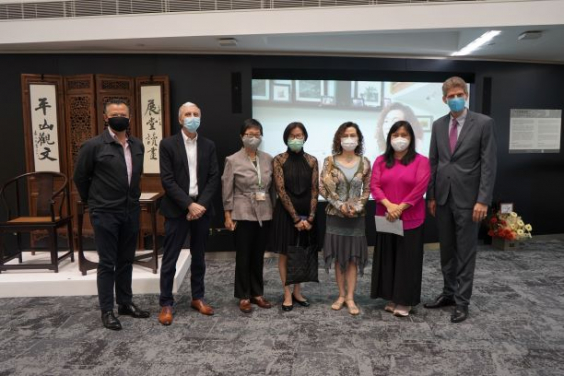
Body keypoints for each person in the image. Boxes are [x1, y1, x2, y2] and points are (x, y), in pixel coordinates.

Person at [425, 76, 497, 323]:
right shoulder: (437, 125)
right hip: (442, 197)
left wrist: (483, 200)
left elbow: (489, 164)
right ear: (444, 99)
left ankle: (462, 301)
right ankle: (448, 293)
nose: (455, 99)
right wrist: (431, 195)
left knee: (466, 252)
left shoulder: (483, 124)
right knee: (447, 250)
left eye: (459, 95)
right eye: (450, 96)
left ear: (466, 95)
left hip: (470, 200)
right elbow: (433, 161)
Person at [74, 99, 150, 330]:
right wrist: (94, 203)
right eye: (114, 113)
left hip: (131, 211)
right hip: (105, 212)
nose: (120, 117)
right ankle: (106, 310)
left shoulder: (137, 145)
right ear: (106, 118)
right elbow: (80, 178)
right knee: (107, 263)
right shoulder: (93, 146)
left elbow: (136, 175)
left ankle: (125, 303)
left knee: (126, 260)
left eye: (123, 113)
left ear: (130, 118)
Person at [157, 102, 220, 326]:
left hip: (202, 209)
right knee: (171, 258)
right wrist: (188, 205)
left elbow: (214, 177)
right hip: (177, 209)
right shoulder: (167, 144)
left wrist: (200, 205)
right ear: (180, 118)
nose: (192, 117)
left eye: (196, 114)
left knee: (199, 256)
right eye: (188, 114)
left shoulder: (208, 145)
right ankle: (166, 303)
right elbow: (167, 180)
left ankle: (198, 297)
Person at [370, 121, 431, 317]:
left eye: (404, 135)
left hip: (411, 218)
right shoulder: (380, 160)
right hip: (386, 217)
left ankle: (405, 301)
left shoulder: (421, 161)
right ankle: (392, 297)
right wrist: (390, 206)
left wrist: (400, 208)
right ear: (389, 138)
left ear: (411, 138)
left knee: (408, 260)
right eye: (395, 134)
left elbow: (420, 188)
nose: (399, 138)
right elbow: (375, 186)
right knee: (388, 259)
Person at [222, 119, 274, 313]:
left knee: (258, 255)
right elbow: (227, 189)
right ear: (242, 136)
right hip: (242, 212)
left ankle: (257, 293)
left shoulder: (268, 159)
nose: (253, 138)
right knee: (243, 256)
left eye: (257, 134)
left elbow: (273, 189)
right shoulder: (232, 160)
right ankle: (244, 295)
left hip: (264, 211)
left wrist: (274, 210)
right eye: (249, 134)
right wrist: (227, 215)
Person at [319, 121, 371, 316]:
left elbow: (367, 189)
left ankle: (350, 297)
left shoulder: (365, 162)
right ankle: (340, 295)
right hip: (335, 216)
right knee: (338, 258)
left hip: (356, 218)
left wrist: (357, 207)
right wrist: (340, 205)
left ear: (358, 139)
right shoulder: (329, 161)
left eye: (353, 135)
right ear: (339, 139)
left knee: (352, 259)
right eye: (346, 135)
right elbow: (323, 188)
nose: (349, 139)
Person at [271, 122, 319, 312]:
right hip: (286, 213)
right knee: (285, 253)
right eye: (292, 136)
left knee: (302, 252)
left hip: (307, 212)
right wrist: (296, 219)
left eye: (299, 135)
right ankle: (287, 293)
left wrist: (311, 217)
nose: (296, 139)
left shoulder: (312, 160)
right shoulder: (279, 160)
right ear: (286, 138)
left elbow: (315, 190)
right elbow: (281, 191)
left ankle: (298, 291)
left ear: (305, 137)